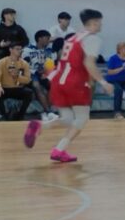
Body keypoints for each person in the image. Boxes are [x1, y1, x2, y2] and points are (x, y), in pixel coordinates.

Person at [24, 9, 113, 163]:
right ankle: (59, 150)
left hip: (59, 81)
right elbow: (89, 63)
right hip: (75, 82)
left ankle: (38, 126)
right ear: (93, 22)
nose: (101, 25)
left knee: (67, 119)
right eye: (100, 22)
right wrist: (103, 82)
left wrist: (90, 79)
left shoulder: (73, 37)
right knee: (82, 118)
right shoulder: (92, 39)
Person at [0, 42, 35, 121]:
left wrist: (17, 76)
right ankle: (4, 116)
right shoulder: (2, 62)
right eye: (17, 49)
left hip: (18, 88)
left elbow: (28, 79)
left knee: (29, 93)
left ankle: (20, 115)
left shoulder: (24, 64)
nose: (20, 51)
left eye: (21, 49)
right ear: (11, 50)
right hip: (5, 88)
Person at [22, 30, 57, 120]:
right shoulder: (27, 50)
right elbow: (24, 65)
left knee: (54, 85)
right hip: (32, 73)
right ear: (40, 39)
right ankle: (48, 111)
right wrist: (36, 72)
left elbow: (51, 66)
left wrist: (46, 73)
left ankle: (47, 111)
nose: (49, 40)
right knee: (36, 86)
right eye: (47, 38)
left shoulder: (50, 50)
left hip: (45, 73)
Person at [105, 41, 125, 119]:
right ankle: (117, 112)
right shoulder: (113, 58)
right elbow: (109, 72)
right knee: (118, 90)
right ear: (119, 50)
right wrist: (121, 68)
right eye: (124, 49)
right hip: (114, 80)